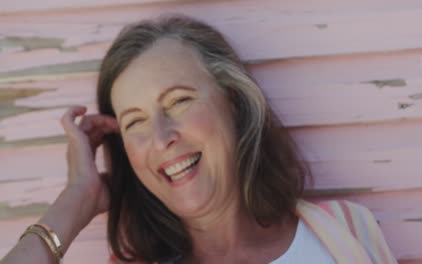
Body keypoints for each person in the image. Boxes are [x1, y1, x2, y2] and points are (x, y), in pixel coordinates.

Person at [2, 15, 397, 264]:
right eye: (136, 122)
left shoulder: (346, 231)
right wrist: (76, 198)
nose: (161, 137)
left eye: (179, 101)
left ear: (234, 103)